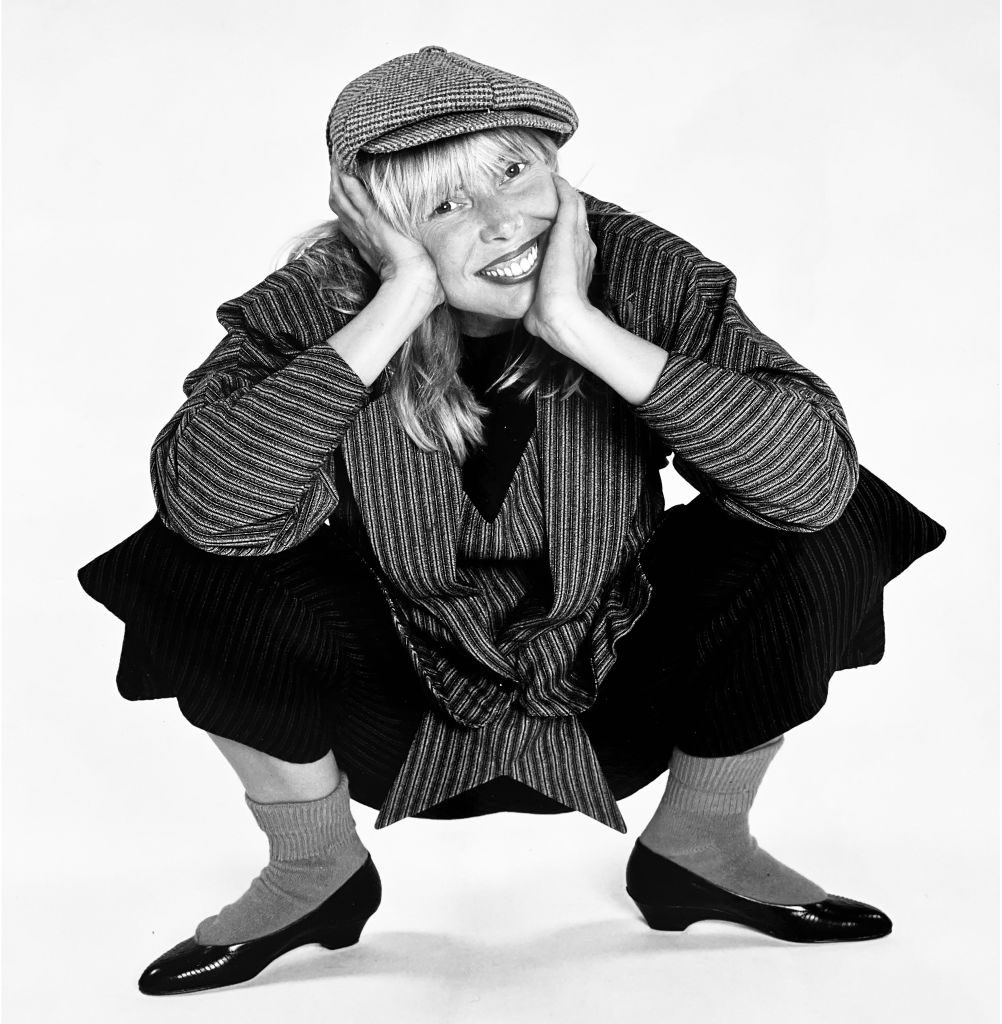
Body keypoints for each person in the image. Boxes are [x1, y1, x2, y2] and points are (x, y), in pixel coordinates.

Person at [77, 45, 946, 996]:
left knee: (829, 510)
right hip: (398, 697)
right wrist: (397, 305)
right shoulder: (317, 303)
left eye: (514, 171)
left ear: (555, 167)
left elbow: (813, 479)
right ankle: (312, 871)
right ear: (376, 230)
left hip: (612, 685)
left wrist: (580, 327)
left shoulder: (643, 269)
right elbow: (209, 504)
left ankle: (702, 845)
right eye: (443, 205)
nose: (501, 221)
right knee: (190, 548)